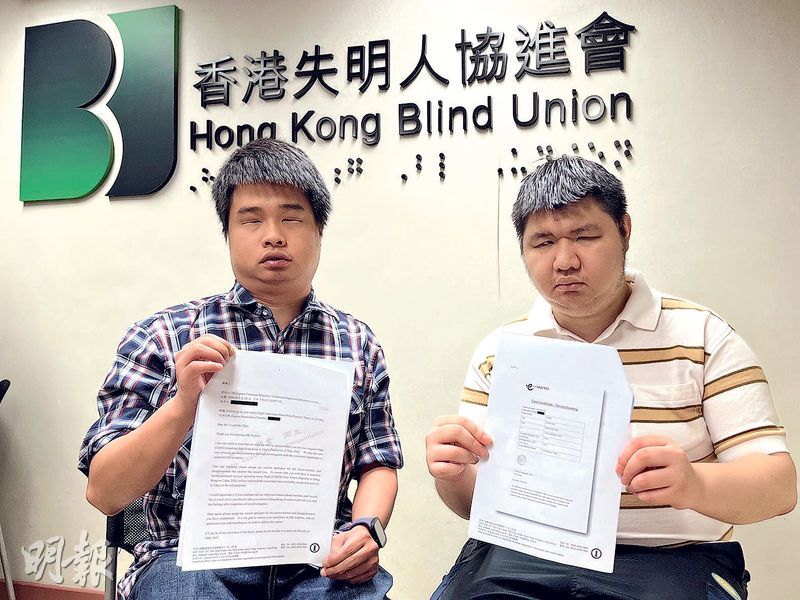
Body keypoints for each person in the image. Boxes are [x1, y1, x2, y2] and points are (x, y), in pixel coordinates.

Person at [425, 155, 796, 600]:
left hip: (673, 560)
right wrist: (451, 474)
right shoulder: (500, 351)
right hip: (525, 558)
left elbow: (778, 486)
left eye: (585, 236)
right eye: (543, 242)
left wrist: (693, 484)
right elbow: (474, 504)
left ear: (624, 230)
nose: (565, 261)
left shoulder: (703, 337)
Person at [79, 138, 403, 600]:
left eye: (291, 218)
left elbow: (378, 461)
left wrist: (367, 529)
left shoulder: (357, 343)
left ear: (319, 231)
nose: (273, 235)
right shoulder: (164, 335)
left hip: (316, 562)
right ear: (228, 233)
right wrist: (183, 405)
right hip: (187, 560)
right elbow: (105, 491)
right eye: (251, 219)